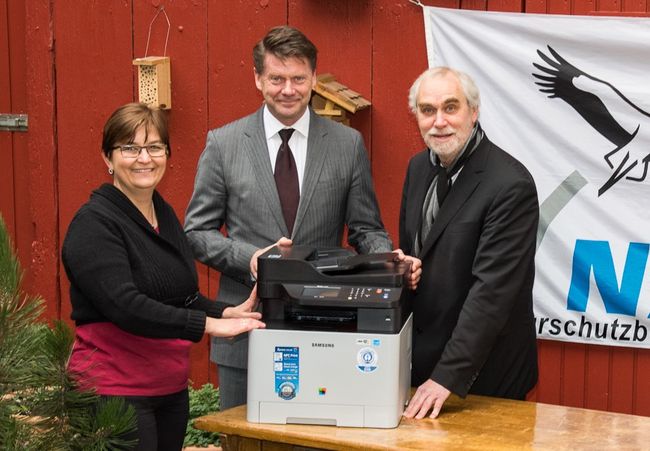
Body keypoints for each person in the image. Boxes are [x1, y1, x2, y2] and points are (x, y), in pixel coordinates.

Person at [184, 25, 421, 410]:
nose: (288, 89)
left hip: (327, 330)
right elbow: (196, 232)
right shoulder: (224, 144)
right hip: (247, 329)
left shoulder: (347, 145)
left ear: (313, 77)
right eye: (276, 79)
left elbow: (366, 228)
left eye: (298, 78)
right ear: (258, 78)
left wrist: (388, 260)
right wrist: (251, 258)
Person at [62, 103, 265, 451]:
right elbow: (126, 306)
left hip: (168, 388)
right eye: (130, 148)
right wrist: (206, 325)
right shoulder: (94, 224)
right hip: (114, 392)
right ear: (108, 157)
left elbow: (181, 294)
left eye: (154, 147)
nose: (144, 158)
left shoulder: (162, 213)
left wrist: (223, 312)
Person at [400, 67, 539, 420]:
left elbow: (491, 293)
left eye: (451, 107)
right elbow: (419, 253)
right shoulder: (418, 167)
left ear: (473, 112)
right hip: (422, 370)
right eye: (428, 110)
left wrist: (446, 376)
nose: (439, 121)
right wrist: (404, 268)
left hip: (483, 378)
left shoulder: (510, 185)